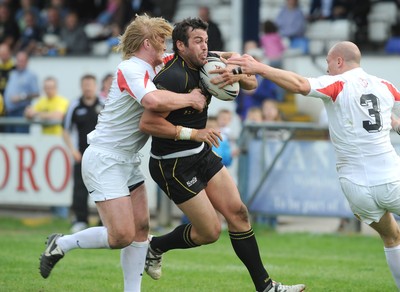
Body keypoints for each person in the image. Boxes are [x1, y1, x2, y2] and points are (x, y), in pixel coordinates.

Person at [39, 14, 206, 292]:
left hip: (127, 159)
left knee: (141, 229)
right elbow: (152, 100)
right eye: (160, 41)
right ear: (146, 43)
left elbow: (188, 55)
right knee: (121, 235)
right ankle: (62, 243)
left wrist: (230, 59)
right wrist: (190, 99)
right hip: (104, 158)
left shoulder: (154, 66)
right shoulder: (130, 68)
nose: (165, 47)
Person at [139, 17, 305, 292]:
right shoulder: (172, 77)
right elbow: (148, 124)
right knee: (210, 232)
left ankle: (266, 287)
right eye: (198, 41)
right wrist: (194, 133)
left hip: (200, 152)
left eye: (206, 41)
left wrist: (237, 74)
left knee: (239, 213)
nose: (205, 47)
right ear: (180, 45)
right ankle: (155, 246)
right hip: (173, 164)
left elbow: (250, 84)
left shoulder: (209, 61)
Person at [225, 40, 400, 289]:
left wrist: (259, 67)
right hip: (391, 177)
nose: (326, 69)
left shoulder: (336, 83)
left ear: (339, 61)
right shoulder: (386, 86)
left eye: (328, 62)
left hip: (355, 187)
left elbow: (299, 84)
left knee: (391, 236)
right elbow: (384, 114)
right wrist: (394, 124)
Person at [62, 74, 103, 229]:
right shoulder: (75, 106)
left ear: (95, 86)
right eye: (85, 84)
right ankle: (80, 220)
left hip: (100, 156)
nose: (88, 87)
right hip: (81, 155)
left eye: (90, 84)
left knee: (103, 188)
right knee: (79, 188)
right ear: (81, 86)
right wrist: (73, 151)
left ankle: (103, 221)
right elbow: (65, 130)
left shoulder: (103, 104)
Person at [4, 50, 39, 133]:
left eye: (22, 61)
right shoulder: (13, 74)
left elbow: (36, 94)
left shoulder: (31, 75)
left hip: (21, 112)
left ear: (27, 62)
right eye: (18, 60)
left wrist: (21, 97)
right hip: (9, 112)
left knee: (20, 139)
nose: (20, 63)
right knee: (9, 140)